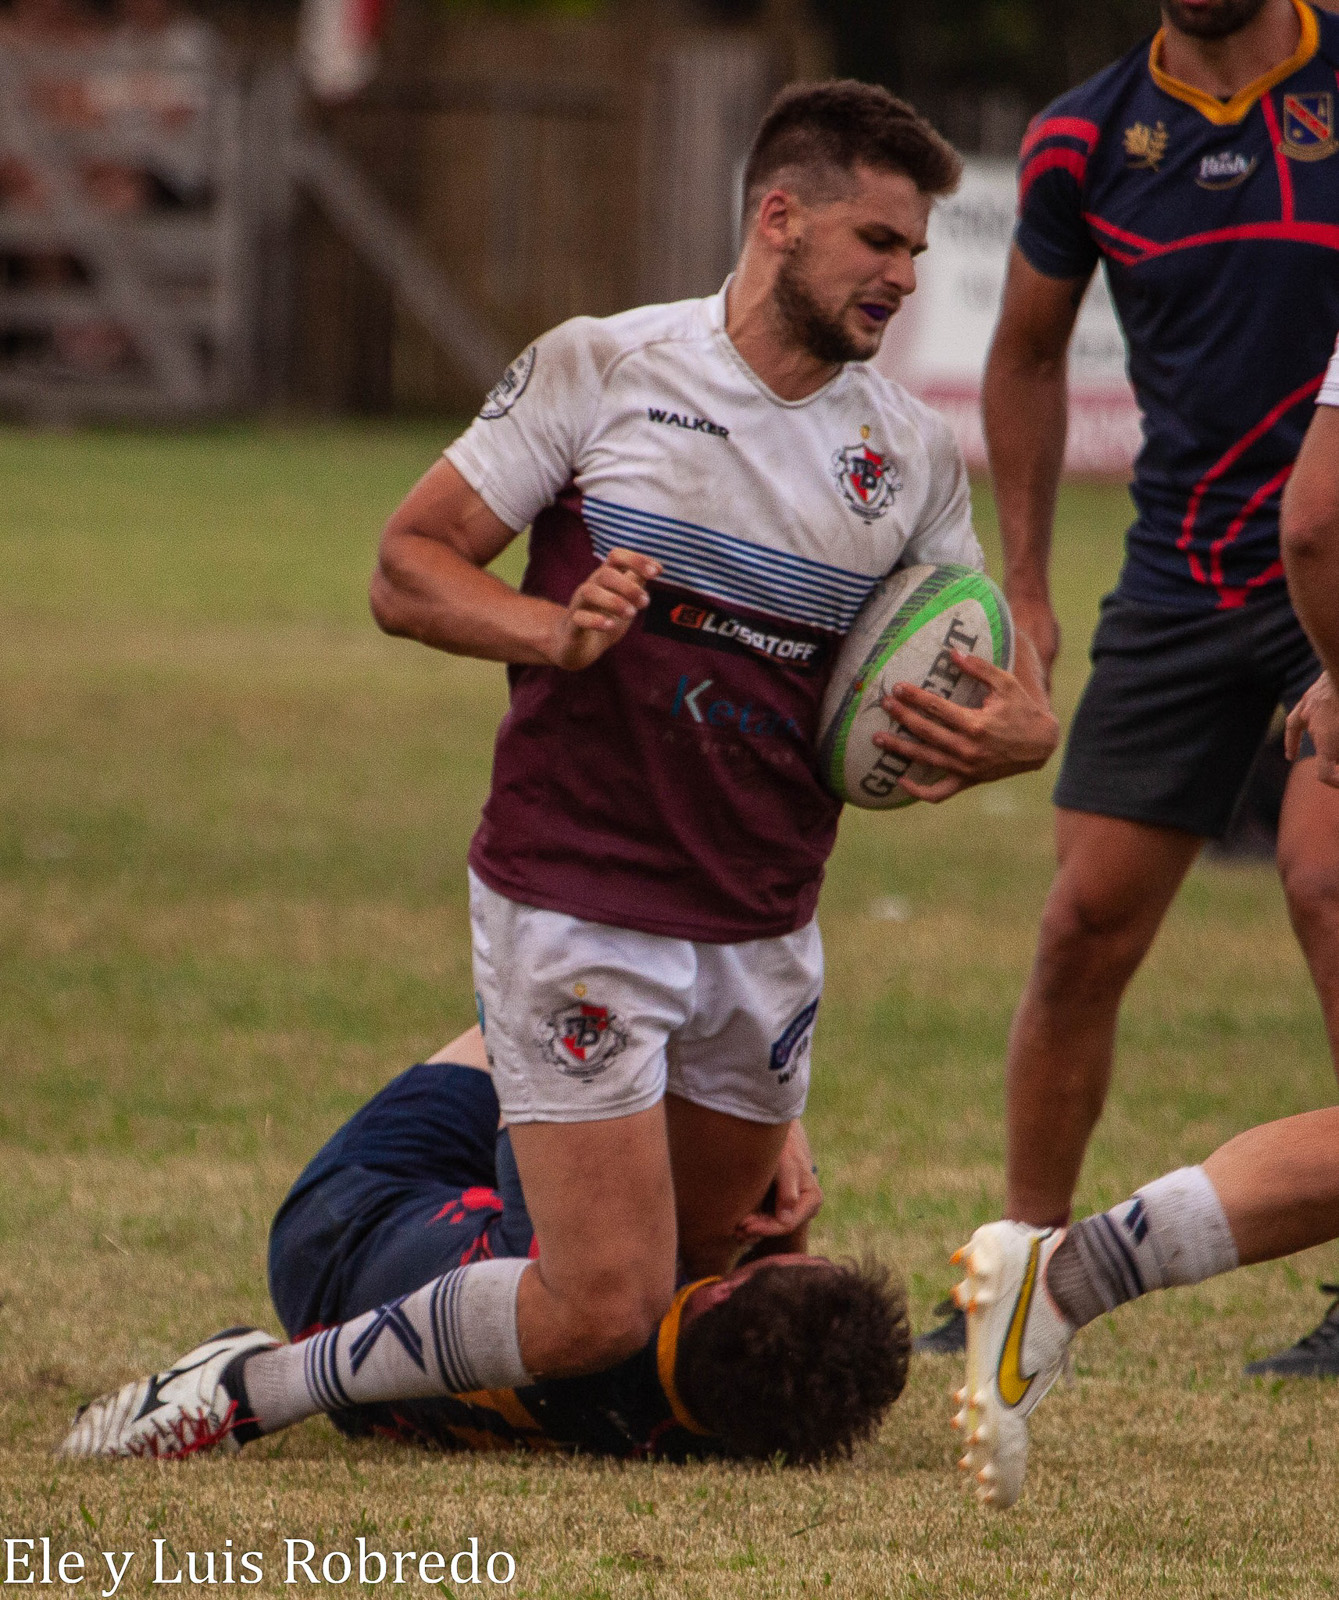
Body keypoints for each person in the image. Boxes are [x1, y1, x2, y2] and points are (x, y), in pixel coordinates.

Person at [362, 80, 1059, 1404]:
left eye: (916, 251)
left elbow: (974, 682)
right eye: (878, 241)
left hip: (759, 921)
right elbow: (406, 568)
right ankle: (308, 1339)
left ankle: (514, 1219)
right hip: (578, 889)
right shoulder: (606, 367)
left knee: (679, 1286)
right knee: (603, 1305)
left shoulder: (907, 460)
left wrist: (1013, 733)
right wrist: (547, 631)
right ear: (778, 218)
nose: (905, 276)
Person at [911, 0, 1339, 1366]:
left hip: (1331, 573)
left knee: (1324, 890)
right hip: (1175, 579)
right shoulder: (1080, 138)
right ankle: (1019, 1276)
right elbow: (1025, 353)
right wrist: (1024, 583)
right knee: (1077, 930)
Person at [951, 330, 1339, 1509]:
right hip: (1181, 584)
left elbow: (1322, 521)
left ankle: (1061, 1276)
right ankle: (1063, 1276)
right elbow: (1313, 525)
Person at [58, 1028, 910, 1464]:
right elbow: (770, 1328)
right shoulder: (715, 1425)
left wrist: (773, 1130)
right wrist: (768, 1208)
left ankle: (249, 1378)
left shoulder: (587, 1269)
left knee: (567, 1025)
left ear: (721, 1290)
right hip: (380, 1401)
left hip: (342, 1228)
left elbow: (539, 1066)